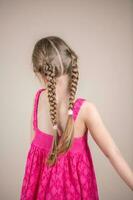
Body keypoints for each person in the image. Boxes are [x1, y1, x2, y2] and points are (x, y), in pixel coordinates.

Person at [20, 36, 133, 200]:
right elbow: (112, 153)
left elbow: (33, 147)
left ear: (43, 75)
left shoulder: (38, 100)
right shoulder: (86, 110)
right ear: (71, 65)